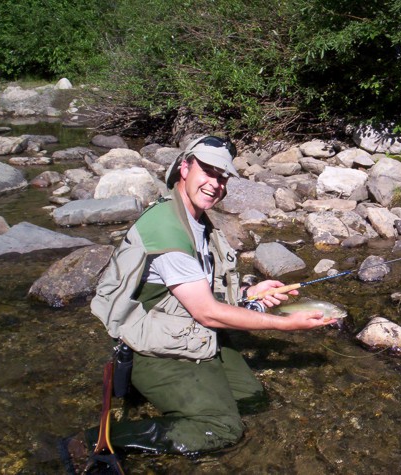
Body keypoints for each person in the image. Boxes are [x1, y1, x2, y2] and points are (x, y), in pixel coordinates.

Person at [60, 136, 332, 472]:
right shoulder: (167, 228)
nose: (215, 183)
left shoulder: (199, 222)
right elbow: (207, 311)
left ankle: (172, 399)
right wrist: (286, 324)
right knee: (222, 429)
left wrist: (250, 294)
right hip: (155, 349)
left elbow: (203, 292)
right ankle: (92, 440)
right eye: (208, 171)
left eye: (222, 177)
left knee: (252, 400)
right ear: (185, 167)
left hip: (190, 332)